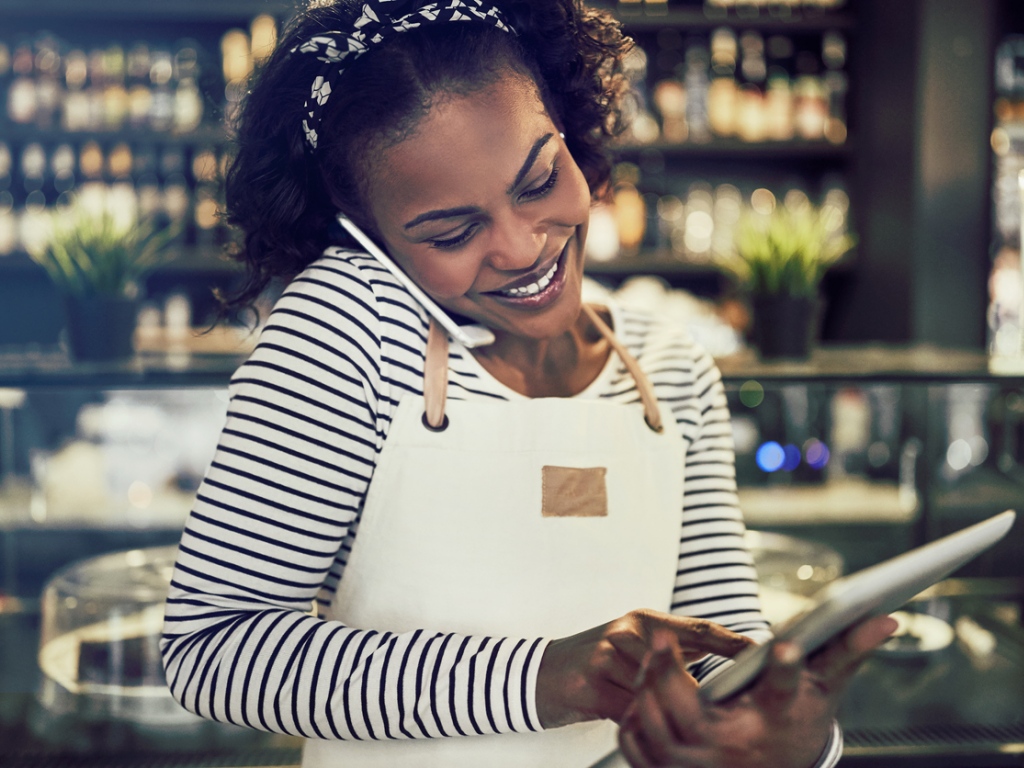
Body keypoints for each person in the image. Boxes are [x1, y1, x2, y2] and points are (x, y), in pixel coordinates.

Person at [160, 1, 895, 766]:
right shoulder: (347, 328)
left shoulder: (669, 367)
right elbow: (214, 649)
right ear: (363, 235)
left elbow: (718, 654)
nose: (521, 247)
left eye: (540, 179)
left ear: (574, 135)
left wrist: (791, 740)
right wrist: (546, 677)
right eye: (452, 232)